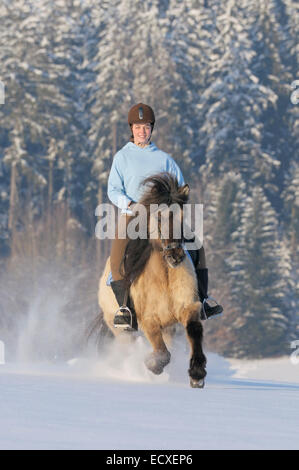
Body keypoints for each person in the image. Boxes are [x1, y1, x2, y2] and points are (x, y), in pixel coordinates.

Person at [107, 103, 223, 329]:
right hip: (136, 216)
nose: (143, 131)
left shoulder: (165, 159)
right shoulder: (122, 157)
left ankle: (204, 299)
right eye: (138, 127)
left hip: (165, 217)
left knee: (197, 245)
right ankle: (125, 308)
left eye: (147, 126)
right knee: (117, 254)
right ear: (132, 128)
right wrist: (130, 204)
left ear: (152, 129)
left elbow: (180, 190)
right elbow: (113, 190)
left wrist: (178, 202)